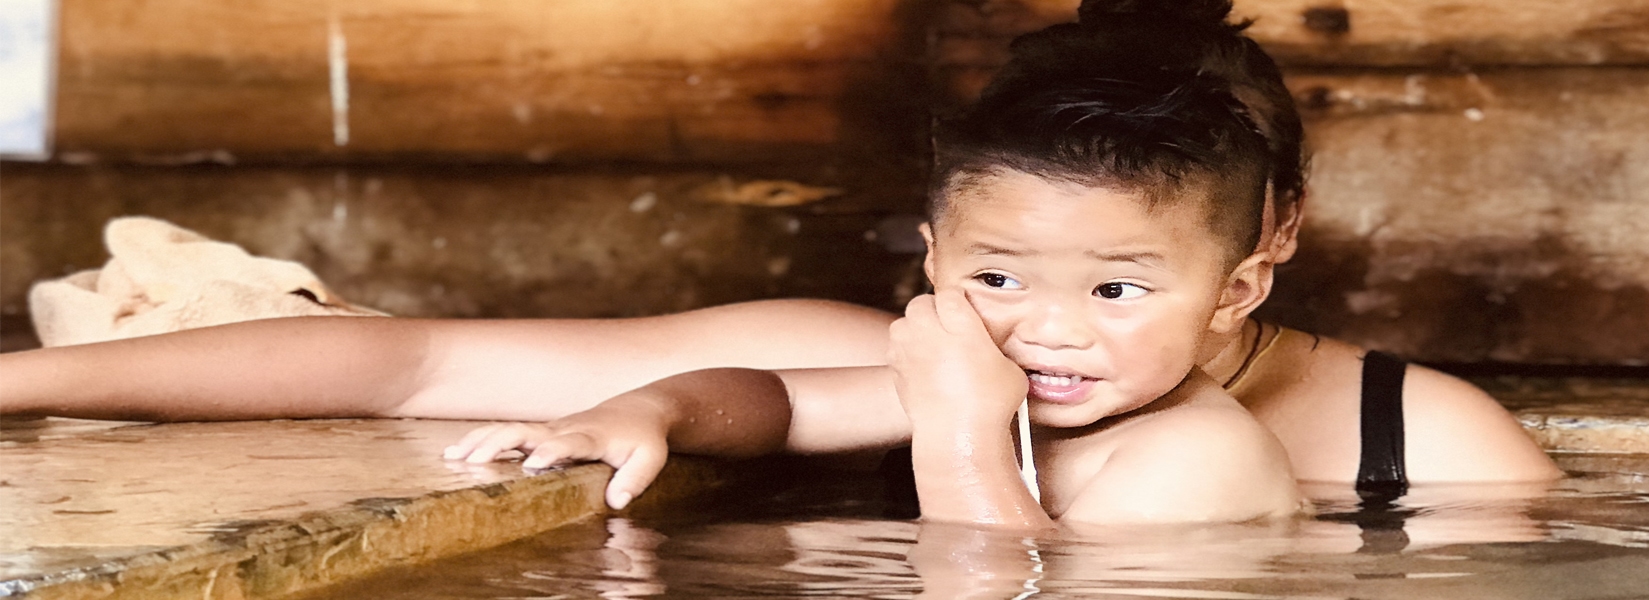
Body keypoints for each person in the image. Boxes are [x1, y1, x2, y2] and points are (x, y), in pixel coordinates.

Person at [0, 0, 1557, 523]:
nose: (1047, 320)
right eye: (1002, 270)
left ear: (1256, 251)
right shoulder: (904, 352)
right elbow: (415, 358)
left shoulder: (1406, 451)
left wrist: (954, 431)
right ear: (943, 245)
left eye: (1121, 271)